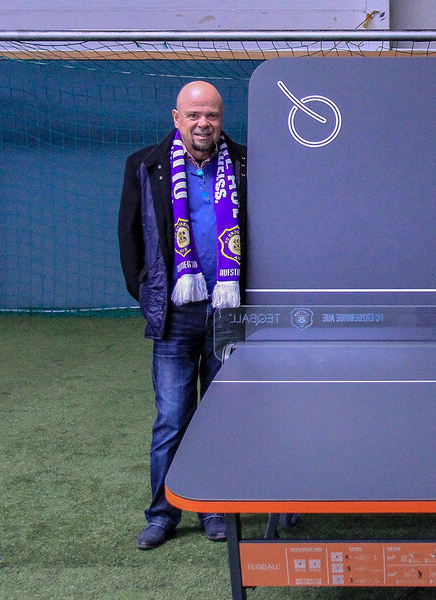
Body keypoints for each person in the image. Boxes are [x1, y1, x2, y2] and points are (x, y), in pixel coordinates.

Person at [118, 80, 248, 550]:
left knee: (220, 418)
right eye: (193, 115)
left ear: (221, 119)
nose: (203, 123)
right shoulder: (144, 165)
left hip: (228, 313)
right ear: (177, 119)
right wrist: (148, 294)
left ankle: (214, 509)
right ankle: (162, 514)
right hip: (176, 315)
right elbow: (130, 238)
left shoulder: (245, 164)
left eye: (211, 114)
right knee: (172, 418)